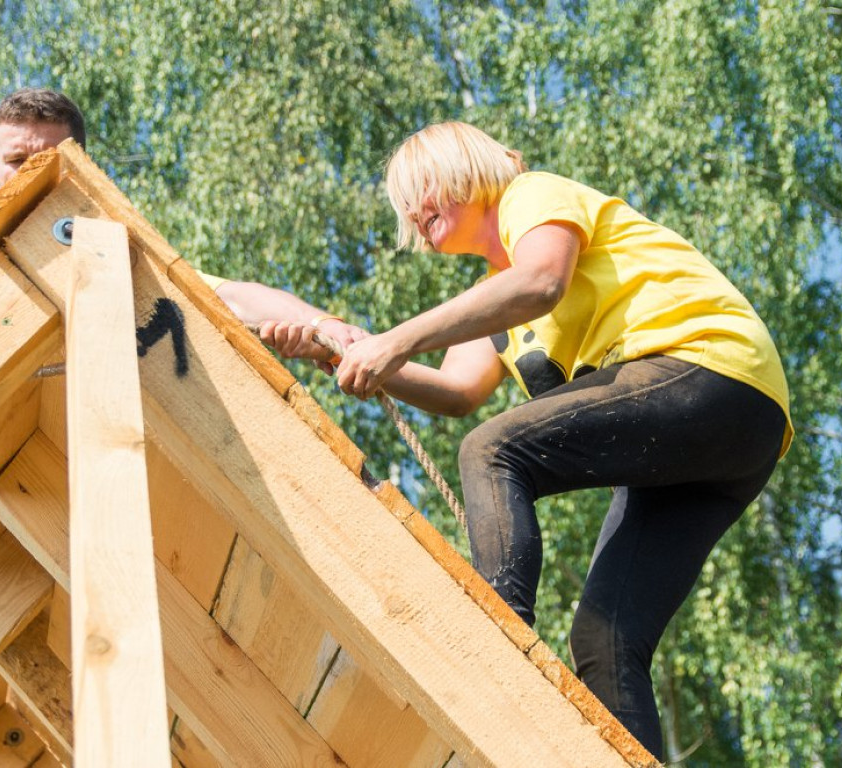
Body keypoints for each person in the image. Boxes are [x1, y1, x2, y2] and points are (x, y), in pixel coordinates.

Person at [264, 121, 792, 759]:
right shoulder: (491, 304)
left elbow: (542, 280)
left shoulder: (532, 196)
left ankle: (495, 649)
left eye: (419, 189)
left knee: (491, 451)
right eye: (404, 206)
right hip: (723, 447)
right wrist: (346, 351)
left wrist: (393, 342)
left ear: (465, 169)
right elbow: (457, 391)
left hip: (709, 370)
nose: (412, 212)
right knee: (604, 642)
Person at [0, 87, 364, 623]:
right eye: (15, 161)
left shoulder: (111, 253)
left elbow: (222, 297)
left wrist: (321, 324)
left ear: (79, 168)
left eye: (46, 162)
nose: (28, 177)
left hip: (73, 485)